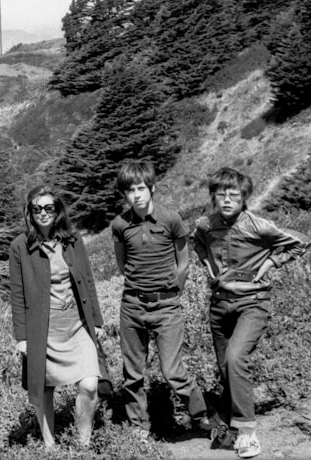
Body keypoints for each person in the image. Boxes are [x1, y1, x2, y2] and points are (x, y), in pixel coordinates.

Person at [192, 167, 310, 459]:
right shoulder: (205, 225)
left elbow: (300, 242)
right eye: (222, 195)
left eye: (235, 195)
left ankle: (247, 434)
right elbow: (196, 242)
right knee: (224, 369)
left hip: (253, 303)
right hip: (219, 305)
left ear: (244, 198)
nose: (228, 200)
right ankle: (232, 425)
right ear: (213, 198)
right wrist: (208, 267)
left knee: (235, 358)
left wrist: (270, 264)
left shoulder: (258, 225)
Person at [111, 160, 210, 437]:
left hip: (166, 306)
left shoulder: (171, 219)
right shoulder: (119, 224)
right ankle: (138, 429)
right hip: (132, 305)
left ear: (152, 188)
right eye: (130, 190)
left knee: (173, 371)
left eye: (141, 188)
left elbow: (183, 262)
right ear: (124, 194)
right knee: (133, 373)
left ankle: (201, 417)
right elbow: (122, 265)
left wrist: (171, 293)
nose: (136, 195)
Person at [9, 185, 106, 447]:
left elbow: (87, 280)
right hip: (43, 329)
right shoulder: (20, 246)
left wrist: (96, 322)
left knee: (88, 385)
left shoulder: (73, 240)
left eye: (49, 208)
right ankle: (50, 448)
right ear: (30, 212)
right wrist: (22, 337)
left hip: (77, 325)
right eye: (37, 208)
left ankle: (82, 443)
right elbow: (17, 294)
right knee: (43, 391)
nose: (43, 213)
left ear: (57, 211)